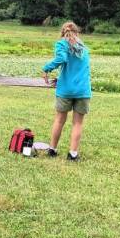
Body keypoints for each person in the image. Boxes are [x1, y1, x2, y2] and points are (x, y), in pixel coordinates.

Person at [41, 21, 91, 162]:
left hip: (65, 89)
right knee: (77, 123)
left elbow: (62, 58)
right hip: (82, 90)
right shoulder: (83, 47)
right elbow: (78, 69)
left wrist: (46, 68)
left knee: (59, 120)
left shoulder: (61, 43)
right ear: (77, 32)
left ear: (62, 33)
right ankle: (73, 154)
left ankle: (52, 149)